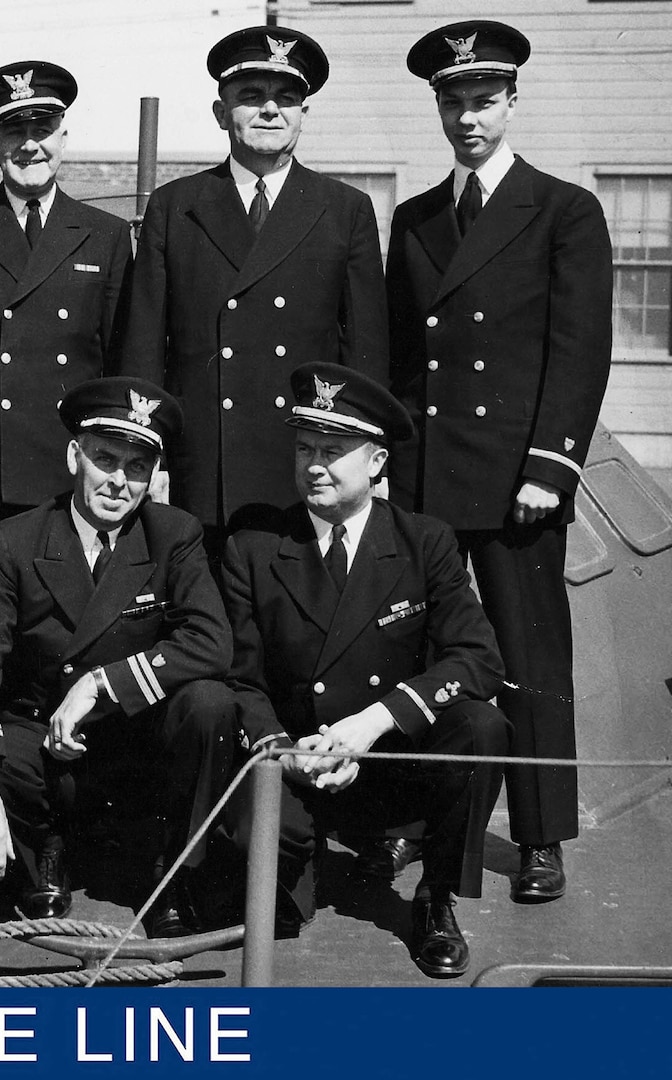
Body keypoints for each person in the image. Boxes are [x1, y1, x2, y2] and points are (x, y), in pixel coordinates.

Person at [386, 20, 613, 906]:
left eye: (483, 101)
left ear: (512, 103)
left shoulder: (562, 209)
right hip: (428, 478)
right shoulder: (414, 218)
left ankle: (542, 833)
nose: (467, 118)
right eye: (453, 102)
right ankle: (415, 816)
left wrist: (551, 465)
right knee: (415, 652)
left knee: (529, 655)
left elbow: (579, 349)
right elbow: (402, 361)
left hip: (517, 477)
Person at [219, 362, 510, 977]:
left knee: (480, 727)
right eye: (304, 448)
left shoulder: (424, 541)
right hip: (297, 765)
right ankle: (302, 857)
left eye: (333, 450)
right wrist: (285, 750)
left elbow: (479, 658)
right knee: (280, 918)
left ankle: (435, 897)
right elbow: (239, 676)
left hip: (390, 769)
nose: (314, 464)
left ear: (377, 463)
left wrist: (375, 721)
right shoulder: (253, 546)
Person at [0, 378, 233, 936]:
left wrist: (103, 683)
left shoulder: (174, 535)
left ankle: (170, 868)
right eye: (105, 458)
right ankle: (44, 851)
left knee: (210, 704)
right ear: (75, 456)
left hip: (130, 734)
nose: (119, 481)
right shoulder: (15, 540)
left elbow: (212, 641)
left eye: (138, 467)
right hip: (44, 739)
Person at [119, 26, 388, 550]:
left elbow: (366, 353)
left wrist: (363, 461)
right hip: (204, 466)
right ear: (222, 113)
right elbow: (143, 347)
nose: (270, 111)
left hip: (307, 463)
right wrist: (146, 455)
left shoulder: (344, 210)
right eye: (251, 97)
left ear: (304, 114)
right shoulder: (177, 207)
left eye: (287, 99)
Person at [0, 61, 133, 558]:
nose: (30, 145)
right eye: (14, 131)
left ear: (64, 138)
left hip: (74, 469)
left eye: (43, 130)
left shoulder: (105, 234)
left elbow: (119, 366)